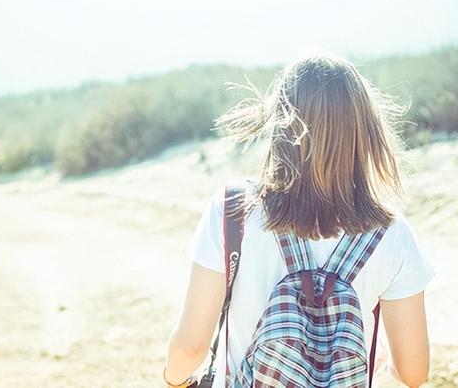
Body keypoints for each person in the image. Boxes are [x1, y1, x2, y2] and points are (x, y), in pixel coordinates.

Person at [163, 53, 435, 388]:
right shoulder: (393, 233)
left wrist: (175, 380)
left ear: (280, 122)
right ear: (364, 129)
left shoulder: (234, 211)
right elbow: (413, 372)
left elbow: (191, 346)